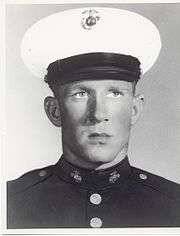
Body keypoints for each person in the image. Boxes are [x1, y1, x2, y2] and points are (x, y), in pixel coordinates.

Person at [7, 7, 180, 228]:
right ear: (54, 111)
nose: (98, 114)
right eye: (81, 94)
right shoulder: (11, 203)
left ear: (134, 109)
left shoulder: (174, 204)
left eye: (114, 93)